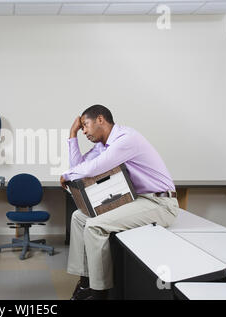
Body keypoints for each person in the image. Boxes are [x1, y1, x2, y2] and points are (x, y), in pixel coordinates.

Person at [60, 104, 179, 300]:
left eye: (85, 125)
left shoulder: (126, 139)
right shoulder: (103, 145)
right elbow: (80, 168)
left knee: (94, 226)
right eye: (81, 128)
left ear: (100, 119)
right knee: (78, 217)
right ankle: (85, 284)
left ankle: (100, 293)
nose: (84, 131)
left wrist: (67, 174)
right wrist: (72, 136)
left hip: (160, 204)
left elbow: (95, 168)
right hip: (138, 200)